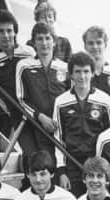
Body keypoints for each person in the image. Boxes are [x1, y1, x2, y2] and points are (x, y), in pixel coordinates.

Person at [16, 21, 70, 189]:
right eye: (40, 39)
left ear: (54, 41)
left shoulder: (64, 68)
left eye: (48, 38)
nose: (44, 43)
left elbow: (70, 98)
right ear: (34, 42)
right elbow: (21, 99)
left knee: (65, 168)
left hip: (61, 128)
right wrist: (40, 117)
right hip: (39, 127)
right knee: (44, 166)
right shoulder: (24, 66)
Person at [53, 51, 110, 196]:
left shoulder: (104, 100)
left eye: (86, 71)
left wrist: (105, 167)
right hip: (72, 165)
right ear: (71, 75)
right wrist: (62, 172)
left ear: (92, 73)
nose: (82, 76)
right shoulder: (61, 101)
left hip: (97, 165)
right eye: (77, 72)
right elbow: (58, 138)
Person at [0, 9, 35, 133]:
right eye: (1, 31)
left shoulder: (29, 53)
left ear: (15, 32)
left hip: (35, 112)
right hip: (15, 113)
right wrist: (11, 111)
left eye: (9, 31)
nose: (6, 36)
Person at [83, 25, 110, 105]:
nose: (95, 47)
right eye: (90, 43)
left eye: (99, 42)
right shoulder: (78, 73)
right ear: (85, 46)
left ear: (105, 45)